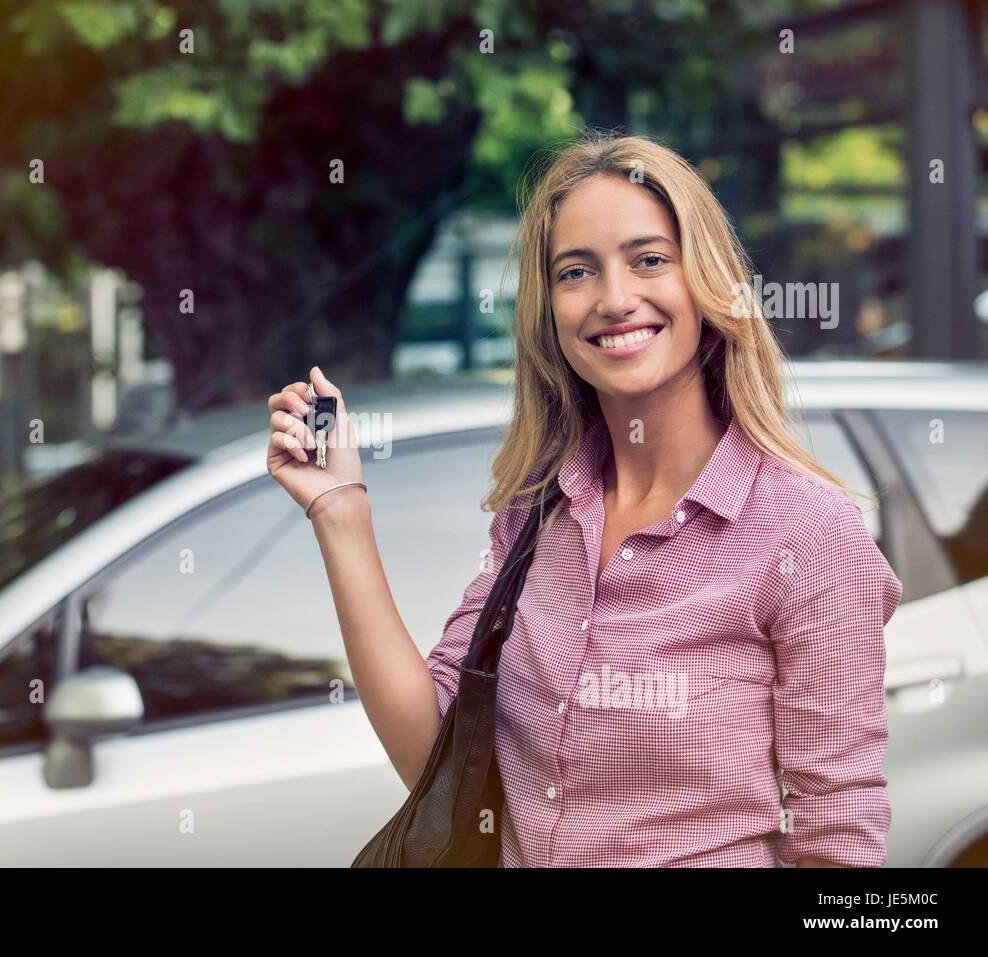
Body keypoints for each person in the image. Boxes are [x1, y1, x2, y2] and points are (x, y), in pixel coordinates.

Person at [264, 130, 902, 867]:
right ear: (550, 309)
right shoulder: (540, 508)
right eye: (577, 272)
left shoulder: (808, 535)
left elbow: (840, 849)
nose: (615, 298)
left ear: (707, 282)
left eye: (650, 259)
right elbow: (433, 752)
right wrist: (341, 513)